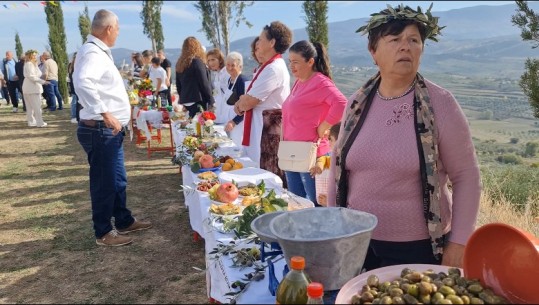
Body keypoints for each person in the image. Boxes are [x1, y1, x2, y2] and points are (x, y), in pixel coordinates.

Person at [328, 4, 481, 269]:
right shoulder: (356, 104)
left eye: (414, 40)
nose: (405, 47)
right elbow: (338, 165)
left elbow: (466, 176)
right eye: (395, 39)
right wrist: (332, 224)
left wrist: (459, 243)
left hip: (419, 249)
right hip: (356, 242)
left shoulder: (440, 104)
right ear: (373, 52)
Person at [73, 9, 152, 247]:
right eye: (117, 29)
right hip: (100, 130)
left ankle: (124, 219)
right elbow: (83, 82)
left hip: (109, 131)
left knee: (117, 179)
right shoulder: (92, 53)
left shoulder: (98, 52)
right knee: (104, 182)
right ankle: (104, 232)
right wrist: (105, 113)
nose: (118, 33)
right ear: (108, 29)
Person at [281, 41, 347, 206]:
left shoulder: (320, 81)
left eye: (296, 62)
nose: (291, 66)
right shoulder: (298, 82)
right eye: (290, 62)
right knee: (296, 202)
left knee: (314, 205)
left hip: (311, 154)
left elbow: (342, 103)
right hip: (292, 152)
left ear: (310, 62)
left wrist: (324, 126)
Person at [234, 21, 292, 178]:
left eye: (260, 39)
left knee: (266, 178)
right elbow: (247, 100)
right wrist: (243, 101)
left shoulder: (273, 69)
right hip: (259, 129)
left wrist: (241, 102)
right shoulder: (267, 67)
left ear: (272, 43)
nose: (257, 43)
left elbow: (248, 102)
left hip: (267, 133)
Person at [175, 36, 215, 118]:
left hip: (186, 100)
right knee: (199, 126)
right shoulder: (197, 62)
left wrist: (183, 100)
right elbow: (204, 82)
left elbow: (178, 85)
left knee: (192, 124)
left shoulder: (180, 63)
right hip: (198, 99)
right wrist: (211, 100)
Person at [309, 123, 340, 207]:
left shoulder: (344, 160)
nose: (328, 141)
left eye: (330, 139)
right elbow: (324, 159)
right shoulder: (332, 157)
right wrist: (319, 166)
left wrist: (331, 202)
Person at [223, 52, 247, 146]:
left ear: (240, 66)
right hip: (229, 119)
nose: (229, 68)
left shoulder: (242, 81)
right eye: (227, 65)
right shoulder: (230, 80)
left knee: (237, 146)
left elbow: (245, 106)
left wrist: (234, 122)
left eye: (233, 65)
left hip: (239, 122)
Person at [22, 49, 50, 127]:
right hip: (32, 88)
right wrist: (43, 82)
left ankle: (31, 121)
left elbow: (38, 73)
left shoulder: (31, 64)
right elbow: (32, 77)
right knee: (36, 106)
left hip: (29, 87)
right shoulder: (29, 64)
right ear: (31, 56)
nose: (36, 57)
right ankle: (39, 122)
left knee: (30, 107)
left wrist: (36, 65)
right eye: (34, 55)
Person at [206, 48, 230, 124]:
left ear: (220, 60)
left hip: (228, 109)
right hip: (219, 109)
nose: (211, 63)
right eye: (209, 60)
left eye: (213, 60)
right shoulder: (216, 74)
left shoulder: (227, 72)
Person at [68, 52, 79, 123]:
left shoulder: (72, 65)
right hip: (74, 85)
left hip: (74, 85)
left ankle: (76, 116)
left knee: (76, 102)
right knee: (74, 102)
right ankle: (73, 116)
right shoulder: (73, 65)